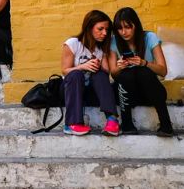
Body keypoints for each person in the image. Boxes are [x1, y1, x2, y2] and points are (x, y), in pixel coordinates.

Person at [108, 7, 173, 136]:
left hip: (150, 92)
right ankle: (127, 124)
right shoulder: (114, 41)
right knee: (126, 74)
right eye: (120, 28)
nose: (123, 32)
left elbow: (163, 71)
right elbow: (113, 74)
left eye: (127, 27)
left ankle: (166, 125)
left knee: (143, 72)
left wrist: (145, 63)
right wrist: (119, 67)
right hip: (127, 95)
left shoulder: (150, 37)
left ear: (135, 25)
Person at [60, 10, 119, 136]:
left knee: (100, 74)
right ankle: (72, 123)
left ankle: (112, 120)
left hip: (91, 92)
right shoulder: (73, 43)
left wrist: (102, 60)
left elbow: (107, 73)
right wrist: (82, 67)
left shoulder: (100, 48)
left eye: (107, 30)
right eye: (100, 29)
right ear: (89, 27)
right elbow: (65, 70)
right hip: (71, 90)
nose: (105, 33)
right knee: (76, 74)